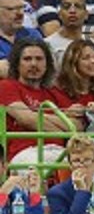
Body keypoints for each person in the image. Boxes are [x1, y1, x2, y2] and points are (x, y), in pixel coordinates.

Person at [0, 37, 81, 165]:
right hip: (25, 152)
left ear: (46, 64)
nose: (33, 64)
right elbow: (26, 119)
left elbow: (77, 125)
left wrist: (39, 116)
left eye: (39, 59)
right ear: (17, 64)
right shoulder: (7, 86)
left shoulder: (54, 93)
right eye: (27, 59)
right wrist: (63, 125)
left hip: (60, 151)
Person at [0, 0, 43, 78]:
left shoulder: (33, 35)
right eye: (12, 9)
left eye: (21, 8)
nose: (20, 14)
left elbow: (45, 67)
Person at [0, 145, 44, 214]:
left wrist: (34, 194)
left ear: (4, 166)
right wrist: (2, 196)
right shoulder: (5, 192)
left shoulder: (15, 194)